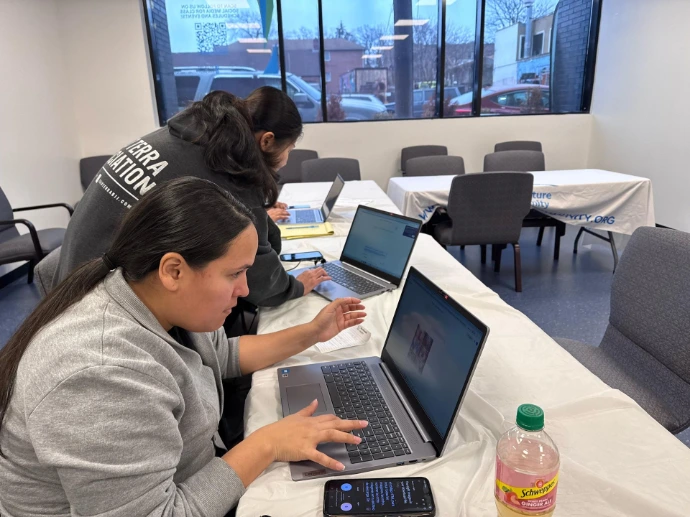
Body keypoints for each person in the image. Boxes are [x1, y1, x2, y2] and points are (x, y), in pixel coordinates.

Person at [0, 177, 368, 517]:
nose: (244, 290)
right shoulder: (101, 374)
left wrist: (312, 332)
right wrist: (267, 444)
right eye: (234, 273)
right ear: (173, 270)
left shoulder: (154, 299)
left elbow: (222, 356)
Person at [53, 87, 328, 308]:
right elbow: (257, 279)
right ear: (266, 141)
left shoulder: (188, 136)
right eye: (289, 149)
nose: (286, 159)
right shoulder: (225, 167)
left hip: (68, 278)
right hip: (97, 301)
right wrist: (296, 286)